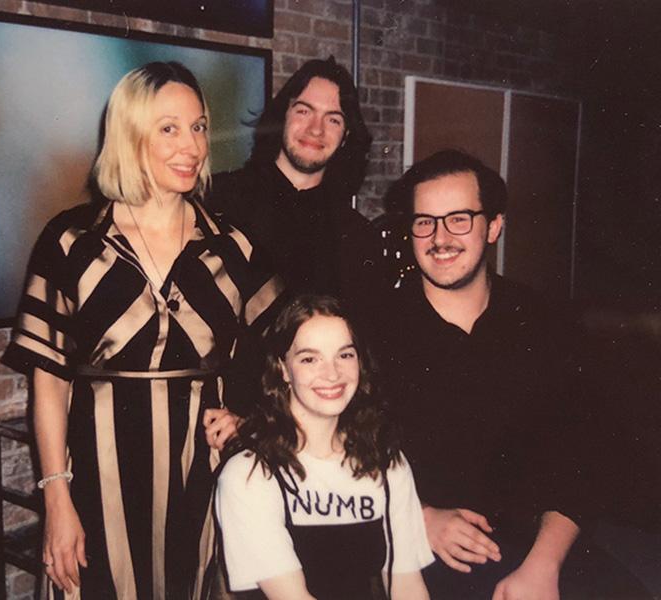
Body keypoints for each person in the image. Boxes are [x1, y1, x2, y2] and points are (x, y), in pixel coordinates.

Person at [2, 62, 283, 600]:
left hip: (205, 483)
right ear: (129, 135)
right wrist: (56, 500)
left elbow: (294, 345)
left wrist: (254, 416)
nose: (192, 146)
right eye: (169, 128)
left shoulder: (232, 246)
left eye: (199, 127)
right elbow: (50, 382)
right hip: (98, 484)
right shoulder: (71, 242)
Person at [381, 149, 650, 599]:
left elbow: (583, 455)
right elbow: (338, 449)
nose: (440, 238)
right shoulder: (373, 329)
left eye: (459, 219)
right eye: (425, 221)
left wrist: (543, 566)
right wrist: (417, 515)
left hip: (540, 544)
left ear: (495, 226)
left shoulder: (543, 323)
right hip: (425, 549)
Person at [215, 295, 434, 600]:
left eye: (345, 355)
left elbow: (408, 587)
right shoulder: (250, 474)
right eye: (309, 359)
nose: (332, 374)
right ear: (282, 369)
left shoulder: (386, 463)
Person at [207, 57, 383, 324]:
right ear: (283, 115)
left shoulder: (356, 236)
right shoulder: (219, 198)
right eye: (304, 111)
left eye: (333, 119)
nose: (316, 129)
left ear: (346, 135)